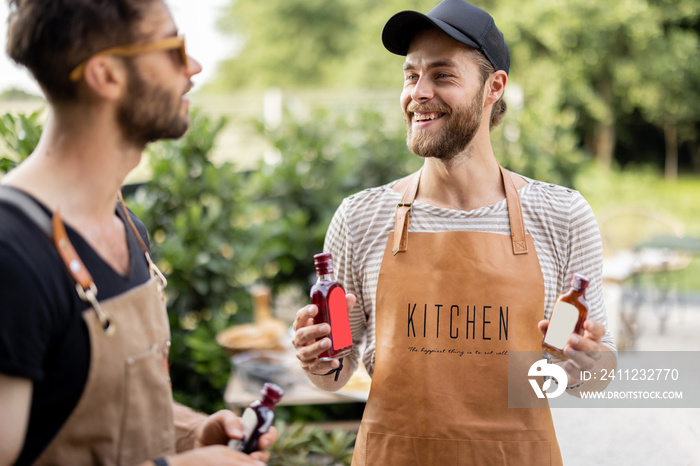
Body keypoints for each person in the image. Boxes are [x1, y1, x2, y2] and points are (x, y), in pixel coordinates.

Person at [291, 0, 617, 464]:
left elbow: (591, 373)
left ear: (493, 87)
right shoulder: (361, 218)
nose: (418, 93)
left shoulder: (561, 215)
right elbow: (335, 372)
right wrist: (317, 360)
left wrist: (586, 363)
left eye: (442, 75)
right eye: (410, 75)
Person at [0, 1, 276, 465]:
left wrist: (191, 434)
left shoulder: (125, 225)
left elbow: (93, 401)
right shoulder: (12, 253)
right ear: (106, 75)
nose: (194, 67)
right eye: (174, 48)